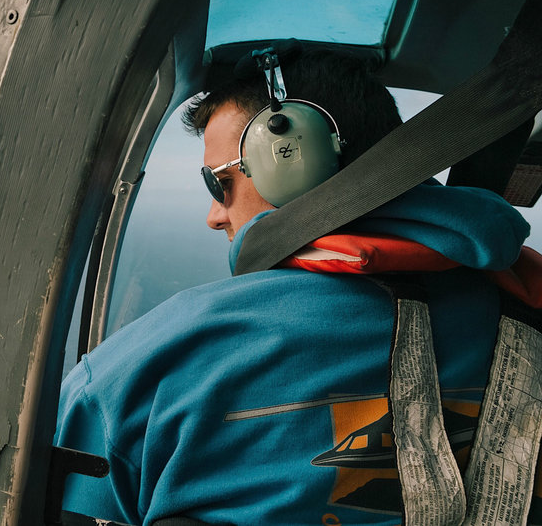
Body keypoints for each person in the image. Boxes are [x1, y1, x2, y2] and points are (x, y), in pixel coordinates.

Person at [54, 45, 535, 525]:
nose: (214, 215)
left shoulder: (158, 364)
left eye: (217, 183)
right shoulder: (523, 307)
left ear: (290, 159)